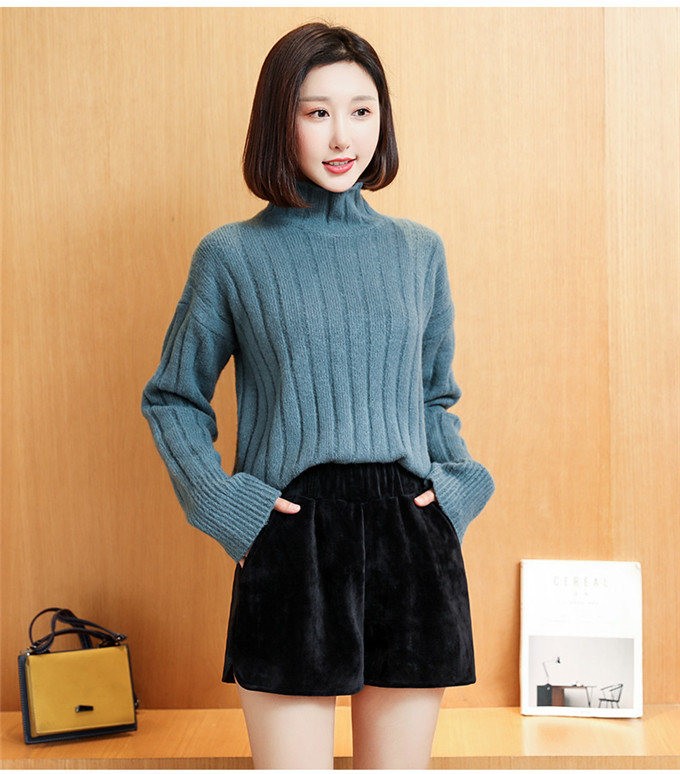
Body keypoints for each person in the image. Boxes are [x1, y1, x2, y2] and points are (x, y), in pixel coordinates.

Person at [141, 21, 495, 770]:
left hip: (410, 532)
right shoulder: (232, 255)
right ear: (281, 120)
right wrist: (224, 505)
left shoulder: (418, 251)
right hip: (290, 536)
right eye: (317, 111)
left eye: (362, 111)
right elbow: (173, 398)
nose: (343, 136)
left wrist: (458, 489)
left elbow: (434, 397)